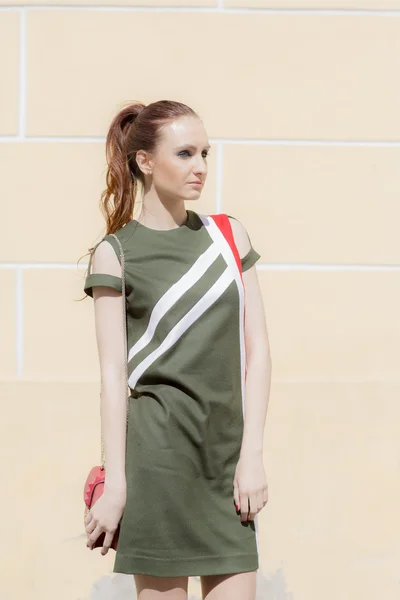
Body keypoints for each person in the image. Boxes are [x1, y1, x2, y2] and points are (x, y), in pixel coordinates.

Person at [83, 99, 272, 600]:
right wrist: (117, 484)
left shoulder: (229, 237)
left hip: (226, 465)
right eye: (185, 153)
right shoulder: (116, 253)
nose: (201, 168)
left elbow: (259, 354)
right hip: (158, 464)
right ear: (145, 161)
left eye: (205, 153)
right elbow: (111, 376)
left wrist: (252, 455)